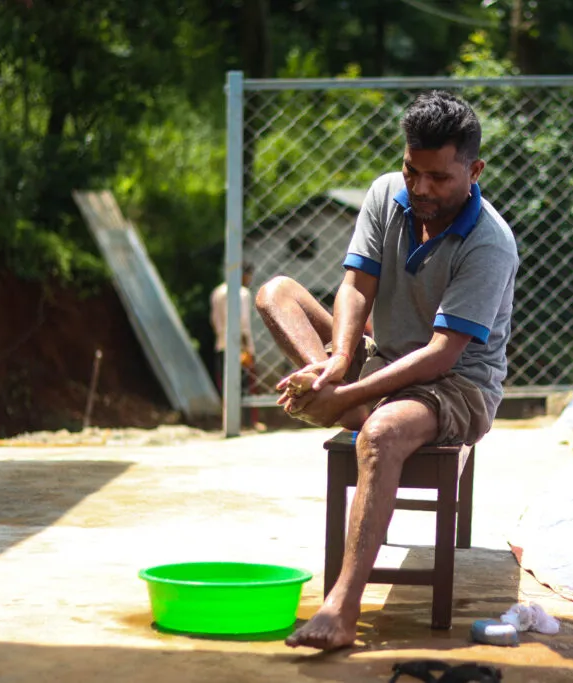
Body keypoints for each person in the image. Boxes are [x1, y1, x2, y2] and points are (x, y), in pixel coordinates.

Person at [255, 90, 518, 651]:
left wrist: (349, 389)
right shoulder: (386, 194)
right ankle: (334, 391)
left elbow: (443, 354)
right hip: (385, 356)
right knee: (277, 293)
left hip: (457, 386)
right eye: (412, 170)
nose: (421, 188)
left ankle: (342, 608)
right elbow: (356, 285)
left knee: (378, 434)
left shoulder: (489, 242)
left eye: (440, 178)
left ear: (474, 171)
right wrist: (338, 363)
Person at [209, 265, 255, 393]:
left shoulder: (217, 292)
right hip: (239, 347)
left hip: (221, 345)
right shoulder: (242, 293)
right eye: (249, 275)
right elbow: (243, 322)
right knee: (243, 390)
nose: (250, 279)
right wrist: (247, 349)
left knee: (225, 389)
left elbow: (213, 320)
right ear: (242, 275)